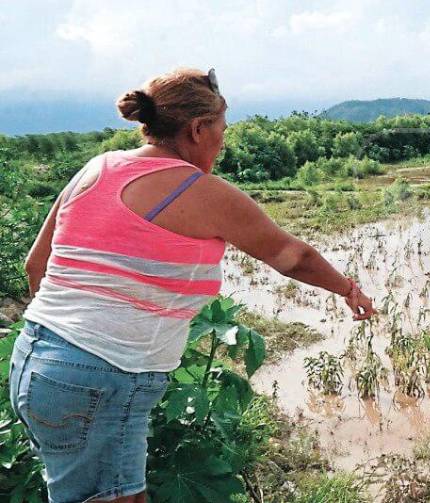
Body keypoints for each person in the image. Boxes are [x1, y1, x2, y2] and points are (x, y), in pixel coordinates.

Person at [7, 67, 377, 502]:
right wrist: (348, 289)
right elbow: (292, 256)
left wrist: (71, 336)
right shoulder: (201, 191)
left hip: (34, 359)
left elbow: (36, 264)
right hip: (101, 377)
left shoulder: (97, 167)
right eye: (222, 129)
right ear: (199, 129)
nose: (223, 140)